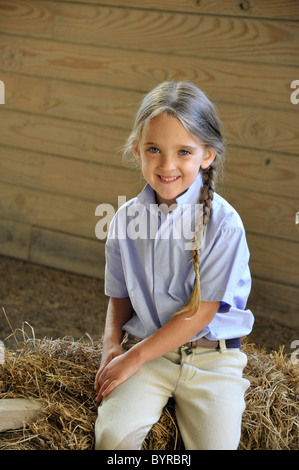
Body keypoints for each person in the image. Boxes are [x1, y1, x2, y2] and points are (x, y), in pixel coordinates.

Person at [94, 81, 254, 450]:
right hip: (151, 354)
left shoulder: (225, 224)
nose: (167, 165)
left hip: (214, 361)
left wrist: (134, 356)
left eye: (184, 151)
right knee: (112, 439)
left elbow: (200, 313)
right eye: (154, 149)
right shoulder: (124, 220)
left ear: (207, 155)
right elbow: (119, 295)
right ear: (137, 151)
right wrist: (111, 344)